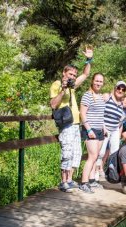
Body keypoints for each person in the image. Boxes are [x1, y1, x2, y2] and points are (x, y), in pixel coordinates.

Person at [50, 47, 93, 193]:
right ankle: (63, 181)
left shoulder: (72, 86)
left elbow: (86, 74)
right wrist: (62, 89)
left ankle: (70, 179)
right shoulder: (57, 84)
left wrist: (88, 59)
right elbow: (53, 104)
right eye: (70, 74)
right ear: (64, 73)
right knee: (67, 152)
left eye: (74, 75)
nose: (73, 77)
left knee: (76, 153)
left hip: (76, 124)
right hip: (66, 125)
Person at [79, 73, 106, 193]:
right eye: (97, 81)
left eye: (100, 81)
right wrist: (88, 129)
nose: (98, 83)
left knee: (96, 157)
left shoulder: (100, 96)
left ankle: (91, 180)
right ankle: (84, 182)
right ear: (92, 81)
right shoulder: (87, 95)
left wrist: (103, 127)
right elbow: (82, 114)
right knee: (92, 156)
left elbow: (101, 114)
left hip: (100, 130)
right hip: (90, 129)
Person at [95, 81, 126, 178]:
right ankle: (95, 172)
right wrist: (103, 127)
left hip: (114, 130)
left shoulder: (121, 103)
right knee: (101, 152)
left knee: (114, 151)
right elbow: (100, 112)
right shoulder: (107, 97)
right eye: (119, 88)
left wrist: (117, 132)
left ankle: (109, 171)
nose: (120, 90)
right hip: (105, 128)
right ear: (115, 88)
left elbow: (119, 119)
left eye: (123, 89)